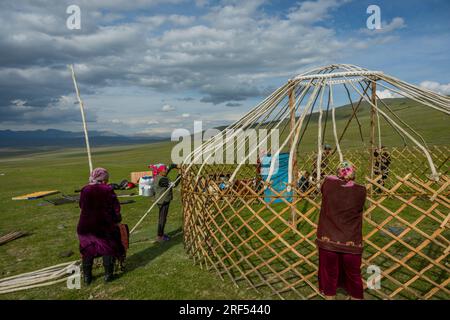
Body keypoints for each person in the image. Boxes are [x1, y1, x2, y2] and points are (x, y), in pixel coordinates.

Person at [316, 161, 367, 300]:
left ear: (339, 172)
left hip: (328, 241)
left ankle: (330, 297)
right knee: (354, 276)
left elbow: (328, 178)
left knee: (329, 276)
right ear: (354, 173)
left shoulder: (328, 185)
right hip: (351, 243)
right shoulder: (361, 190)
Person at [77, 168, 125, 285]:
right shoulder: (107, 190)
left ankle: (87, 278)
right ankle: (108, 276)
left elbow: (81, 205)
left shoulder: (85, 189)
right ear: (104, 179)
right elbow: (116, 208)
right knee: (107, 248)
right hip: (103, 226)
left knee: (87, 249)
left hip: (85, 226)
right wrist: (117, 219)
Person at [153, 163, 180, 242]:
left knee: (163, 218)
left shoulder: (160, 175)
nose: (165, 170)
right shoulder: (162, 180)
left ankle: (161, 234)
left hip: (161, 199)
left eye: (165, 169)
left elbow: (170, 166)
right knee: (162, 218)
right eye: (164, 170)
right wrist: (179, 174)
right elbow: (174, 185)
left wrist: (176, 166)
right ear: (160, 171)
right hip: (163, 201)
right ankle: (160, 236)